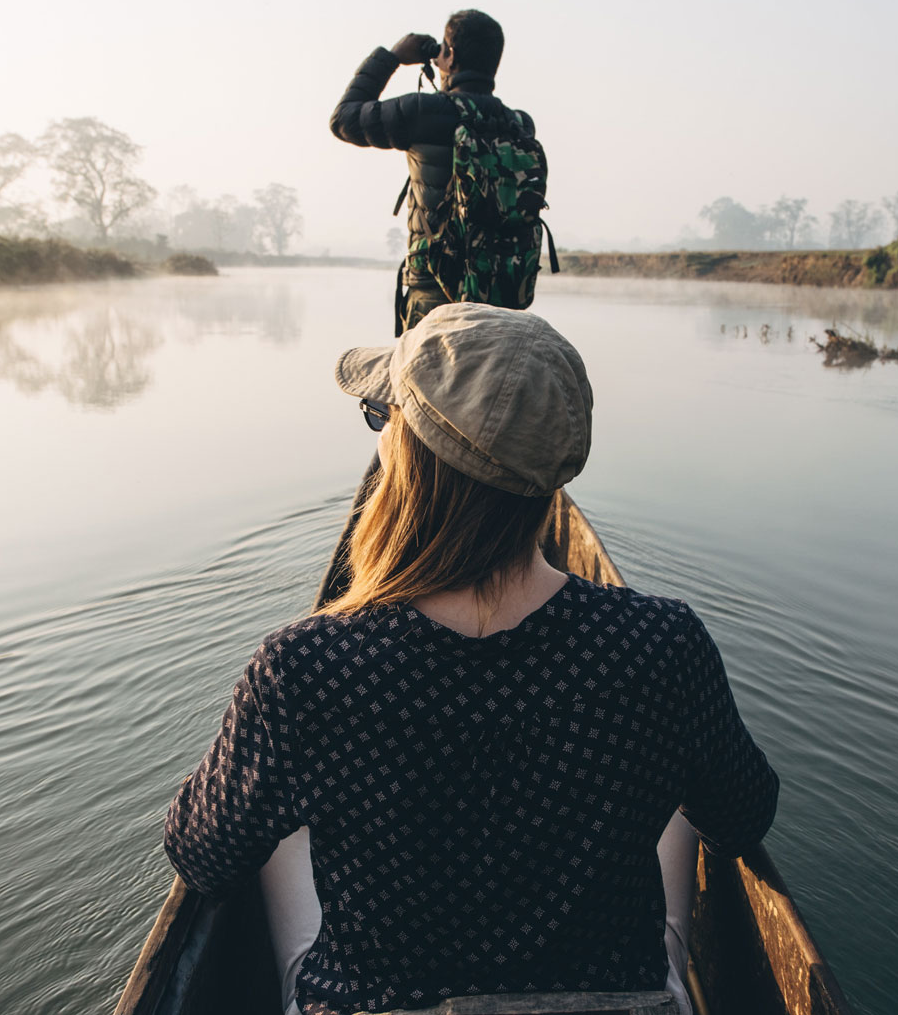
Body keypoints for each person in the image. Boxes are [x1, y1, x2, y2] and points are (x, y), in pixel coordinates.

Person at [164, 304, 779, 1015]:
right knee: (681, 801)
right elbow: (742, 818)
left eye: (381, 420)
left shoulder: (305, 667)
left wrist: (263, 751)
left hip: (377, 1002)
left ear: (405, 460)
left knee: (278, 819)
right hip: (616, 1002)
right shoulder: (662, 644)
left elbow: (200, 852)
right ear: (551, 477)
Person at [330, 10, 548, 334]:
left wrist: (391, 57)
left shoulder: (426, 112)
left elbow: (344, 120)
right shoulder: (519, 124)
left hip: (435, 293)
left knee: (421, 386)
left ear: (450, 54)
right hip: (502, 299)